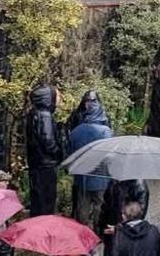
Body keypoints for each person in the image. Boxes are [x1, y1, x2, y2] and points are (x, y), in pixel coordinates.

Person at [68, 90, 113, 230]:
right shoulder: (106, 131)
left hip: (82, 174)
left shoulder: (77, 130)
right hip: (101, 174)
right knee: (100, 204)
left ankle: (82, 233)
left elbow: (70, 152)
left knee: (83, 204)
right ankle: (98, 231)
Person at [26, 84, 62, 216]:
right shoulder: (44, 115)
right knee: (46, 200)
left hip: (37, 163)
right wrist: (58, 153)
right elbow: (48, 140)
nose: (59, 99)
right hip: (46, 164)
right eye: (57, 95)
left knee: (38, 199)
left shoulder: (34, 113)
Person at [101, 179, 150, 255]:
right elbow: (107, 203)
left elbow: (139, 214)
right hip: (112, 226)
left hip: (126, 230)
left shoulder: (139, 186)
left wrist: (122, 228)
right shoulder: (114, 181)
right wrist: (102, 224)